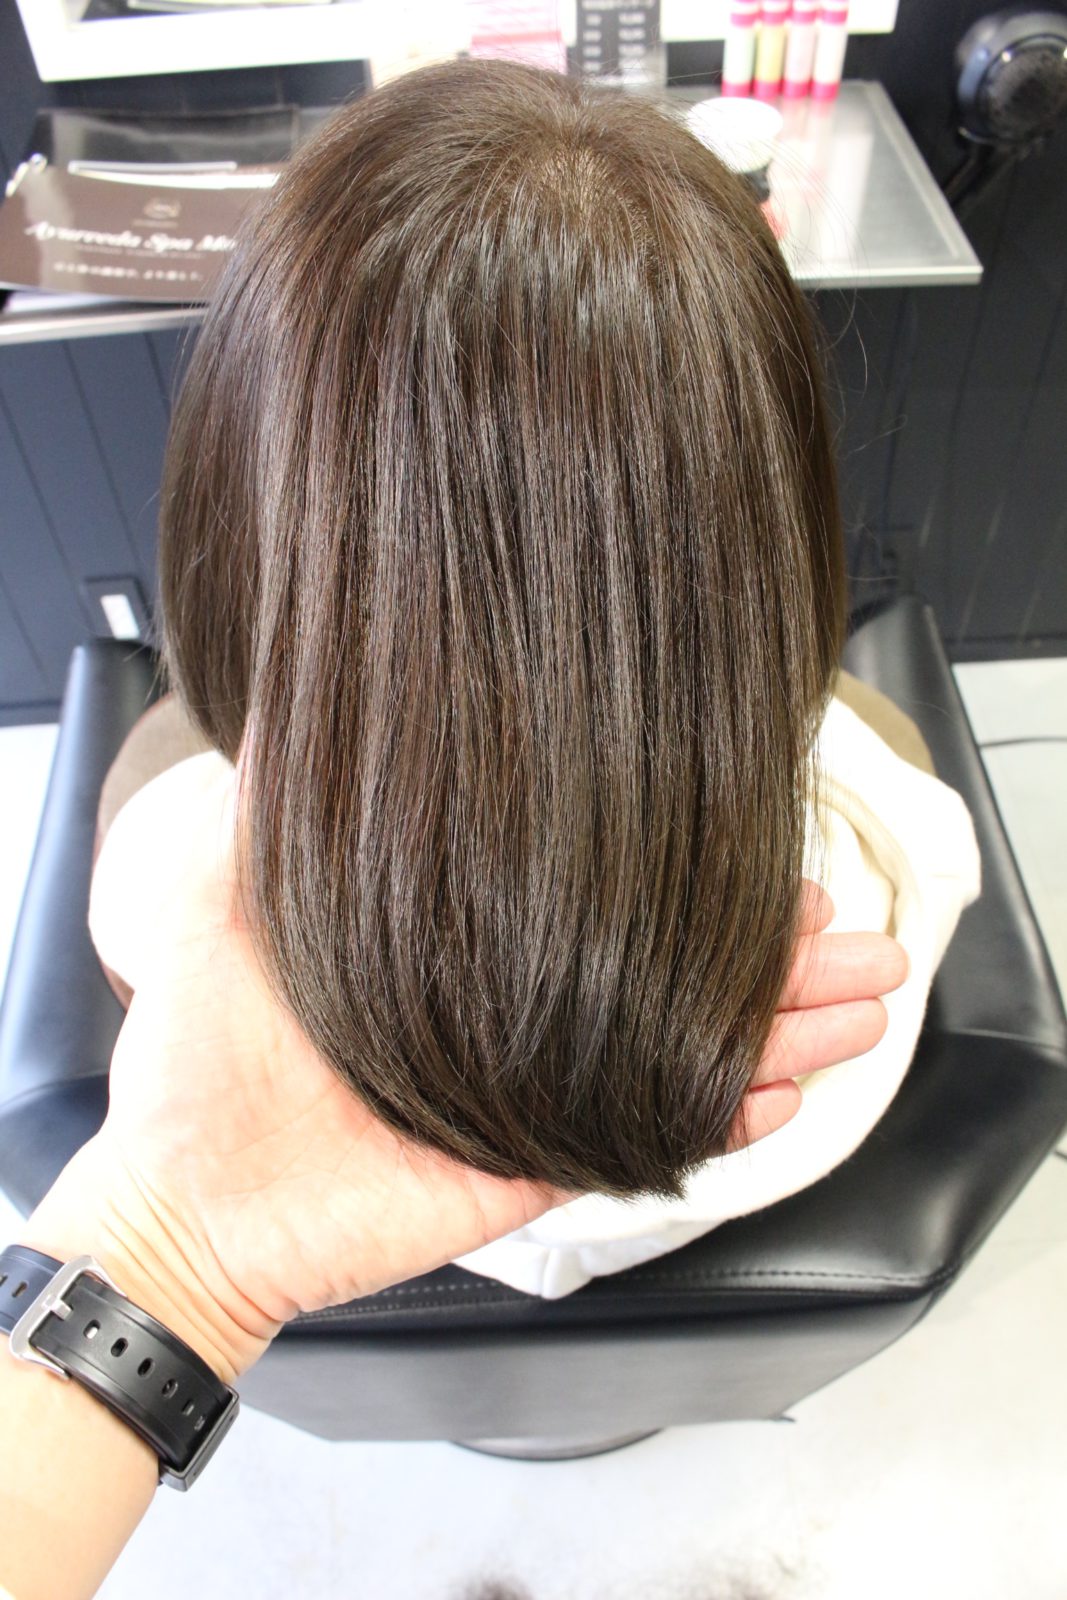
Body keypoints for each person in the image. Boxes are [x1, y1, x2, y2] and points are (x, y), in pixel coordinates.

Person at [87, 57, 980, 1299]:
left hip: (358, 1237)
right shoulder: (884, 863)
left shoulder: (164, 882)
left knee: (164, 735)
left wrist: (163, 1265)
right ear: (760, 522)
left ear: (244, 508)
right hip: (711, 1203)